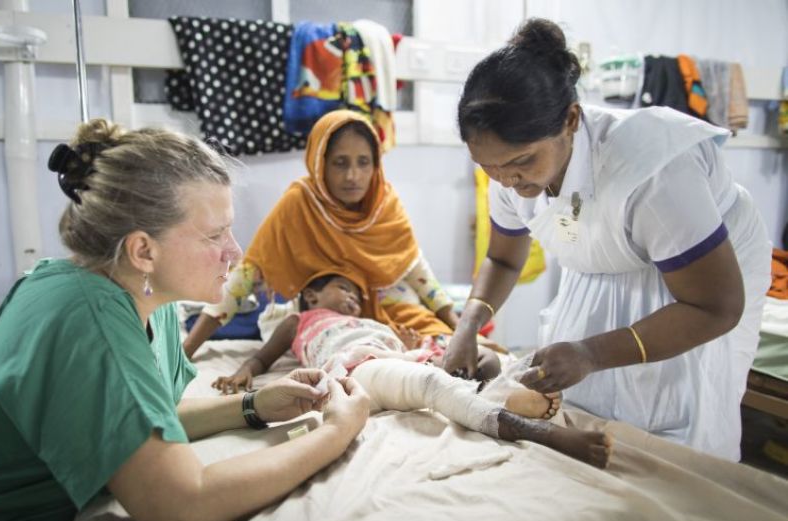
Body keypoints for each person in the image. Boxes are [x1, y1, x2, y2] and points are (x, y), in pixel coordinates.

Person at [0, 120, 370, 521]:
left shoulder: (151, 298)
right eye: (215, 234)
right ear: (143, 251)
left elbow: (141, 417)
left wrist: (255, 405)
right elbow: (183, 511)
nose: (235, 252)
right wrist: (337, 431)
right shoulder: (87, 320)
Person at [443, 19, 771, 461]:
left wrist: (592, 352)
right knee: (581, 395)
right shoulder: (510, 175)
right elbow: (503, 261)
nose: (506, 180)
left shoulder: (651, 173)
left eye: (520, 162)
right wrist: (467, 327)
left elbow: (715, 306)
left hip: (697, 280)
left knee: (668, 406)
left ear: (571, 120)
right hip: (613, 253)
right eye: (489, 167)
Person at [214, 273, 612, 469]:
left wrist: (407, 345)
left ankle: (500, 390)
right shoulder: (301, 320)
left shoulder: (374, 322)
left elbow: (404, 354)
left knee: (486, 361)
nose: (353, 298)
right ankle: (541, 431)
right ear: (313, 295)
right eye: (342, 289)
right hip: (359, 368)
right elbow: (264, 358)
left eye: (357, 293)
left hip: (399, 356)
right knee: (429, 384)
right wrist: (245, 372)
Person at [183, 109, 459, 359]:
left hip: (390, 311)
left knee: (441, 346)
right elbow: (244, 278)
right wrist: (187, 350)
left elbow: (420, 275)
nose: (353, 175)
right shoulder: (299, 203)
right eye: (340, 163)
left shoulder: (386, 205)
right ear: (320, 163)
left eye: (364, 162)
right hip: (327, 317)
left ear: (376, 165)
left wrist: (463, 331)